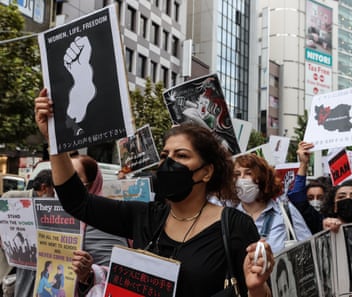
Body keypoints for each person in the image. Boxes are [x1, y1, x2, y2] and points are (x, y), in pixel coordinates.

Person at [34, 89, 273, 297]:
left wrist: (256, 289)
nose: (168, 163)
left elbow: (256, 290)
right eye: (163, 156)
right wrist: (54, 139)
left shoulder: (234, 227)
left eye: (181, 156)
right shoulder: (145, 217)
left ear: (206, 172)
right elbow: (77, 202)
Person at [69, 154, 130, 297]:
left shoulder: (103, 217)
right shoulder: (51, 212)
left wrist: (89, 274)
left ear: (91, 183)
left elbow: (117, 271)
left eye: (73, 177)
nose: (65, 182)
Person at [234, 153, 311, 254]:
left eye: (248, 173)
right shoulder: (229, 219)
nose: (242, 179)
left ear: (262, 178)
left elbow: (309, 249)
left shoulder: (285, 212)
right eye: (237, 174)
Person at [1, 169, 55, 297]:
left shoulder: (50, 207)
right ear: (44, 188)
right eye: (53, 190)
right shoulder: (12, 198)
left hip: (31, 265)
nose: (54, 195)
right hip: (9, 260)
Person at [286, 141, 324, 234]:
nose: (315, 201)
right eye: (310, 198)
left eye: (320, 197)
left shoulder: (334, 217)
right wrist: (303, 163)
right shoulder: (309, 216)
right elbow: (297, 194)